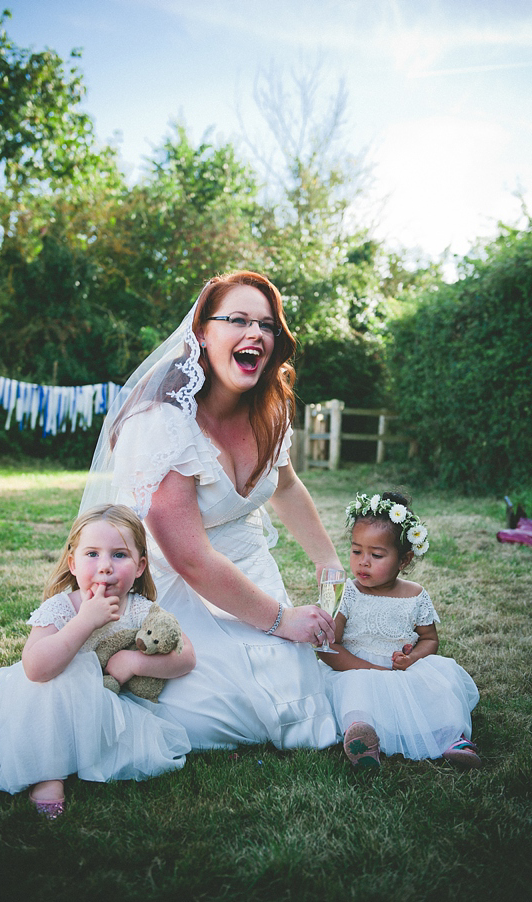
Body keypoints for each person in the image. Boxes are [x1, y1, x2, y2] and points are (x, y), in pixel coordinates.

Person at [80, 271, 342, 752]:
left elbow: (284, 484)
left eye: (266, 325)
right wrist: (281, 620)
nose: (256, 334)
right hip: (183, 590)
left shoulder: (271, 408)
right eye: (238, 320)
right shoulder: (163, 421)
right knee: (222, 709)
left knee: (298, 690)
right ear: (202, 332)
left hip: (253, 573)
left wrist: (329, 562)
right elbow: (190, 557)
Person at [0, 505, 195, 818]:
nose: (105, 566)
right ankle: (46, 776)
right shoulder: (62, 608)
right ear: (72, 563)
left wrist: (136, 663)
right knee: (58, 679)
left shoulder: (141, 609)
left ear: (140, 566)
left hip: (107, 709)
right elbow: (36, 668)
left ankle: (77, 758)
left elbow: (186, 657)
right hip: (47, 703)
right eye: (92, 554)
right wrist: (85, 622)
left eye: (119, 555)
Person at [321, 491, 481, 770]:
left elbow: (430, 639)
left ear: (404, 560)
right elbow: (329, 647)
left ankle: (453, 738)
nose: (363, 562)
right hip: (354, 669)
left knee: (438, 685)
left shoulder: (415, 595)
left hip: (403, 672)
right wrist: (371, 670)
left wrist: (413, 659)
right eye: (356, 550)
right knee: (356, 692)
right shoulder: (345, 592)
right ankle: (362, 738)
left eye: (376, 554)